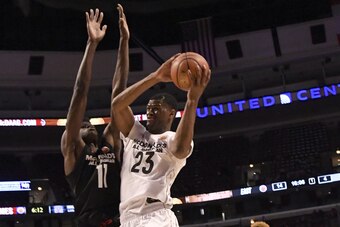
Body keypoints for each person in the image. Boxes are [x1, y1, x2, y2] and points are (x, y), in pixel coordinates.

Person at [111, 55, 211, 226]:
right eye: (148, 108)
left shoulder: (173, 138)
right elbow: (117, 105)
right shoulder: (135, 132)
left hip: (155, 214)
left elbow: (180, 149)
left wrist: (192, 101)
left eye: (156, 109)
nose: (150, 112)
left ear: (171, 113)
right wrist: (155, 76)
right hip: (128, 217)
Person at [61, 4, 129, 227]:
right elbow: (80, 92)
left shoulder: (109, 141)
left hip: (119, 220)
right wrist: (92, 44)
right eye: (83, 125)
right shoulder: (73, 150)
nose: (88, 125)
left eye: (90, 124)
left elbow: (119, 94)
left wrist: (123, 42)